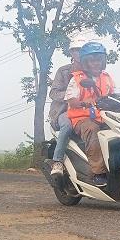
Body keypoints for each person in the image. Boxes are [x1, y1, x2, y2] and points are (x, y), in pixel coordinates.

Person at [64, 42, 115, 187]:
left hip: (103, 117)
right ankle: (98, 173)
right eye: (92, 60)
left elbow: (114, 96)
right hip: (82, 119)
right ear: (85, 62)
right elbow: (71, 100)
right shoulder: (77, 78)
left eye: (99, 60)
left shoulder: (107, 77)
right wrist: (83, 103)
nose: (96, 63)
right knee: (93, 131)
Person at [48, 37, 86, 176]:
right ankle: (57, 161)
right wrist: (71, 96)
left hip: (86, 111)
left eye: (82, 50)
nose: (79, 53)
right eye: (76, 50)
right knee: (67, 126)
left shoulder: (93, 72)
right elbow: (53, 93)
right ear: (71, 53)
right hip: (64, 112)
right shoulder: (63, 71)